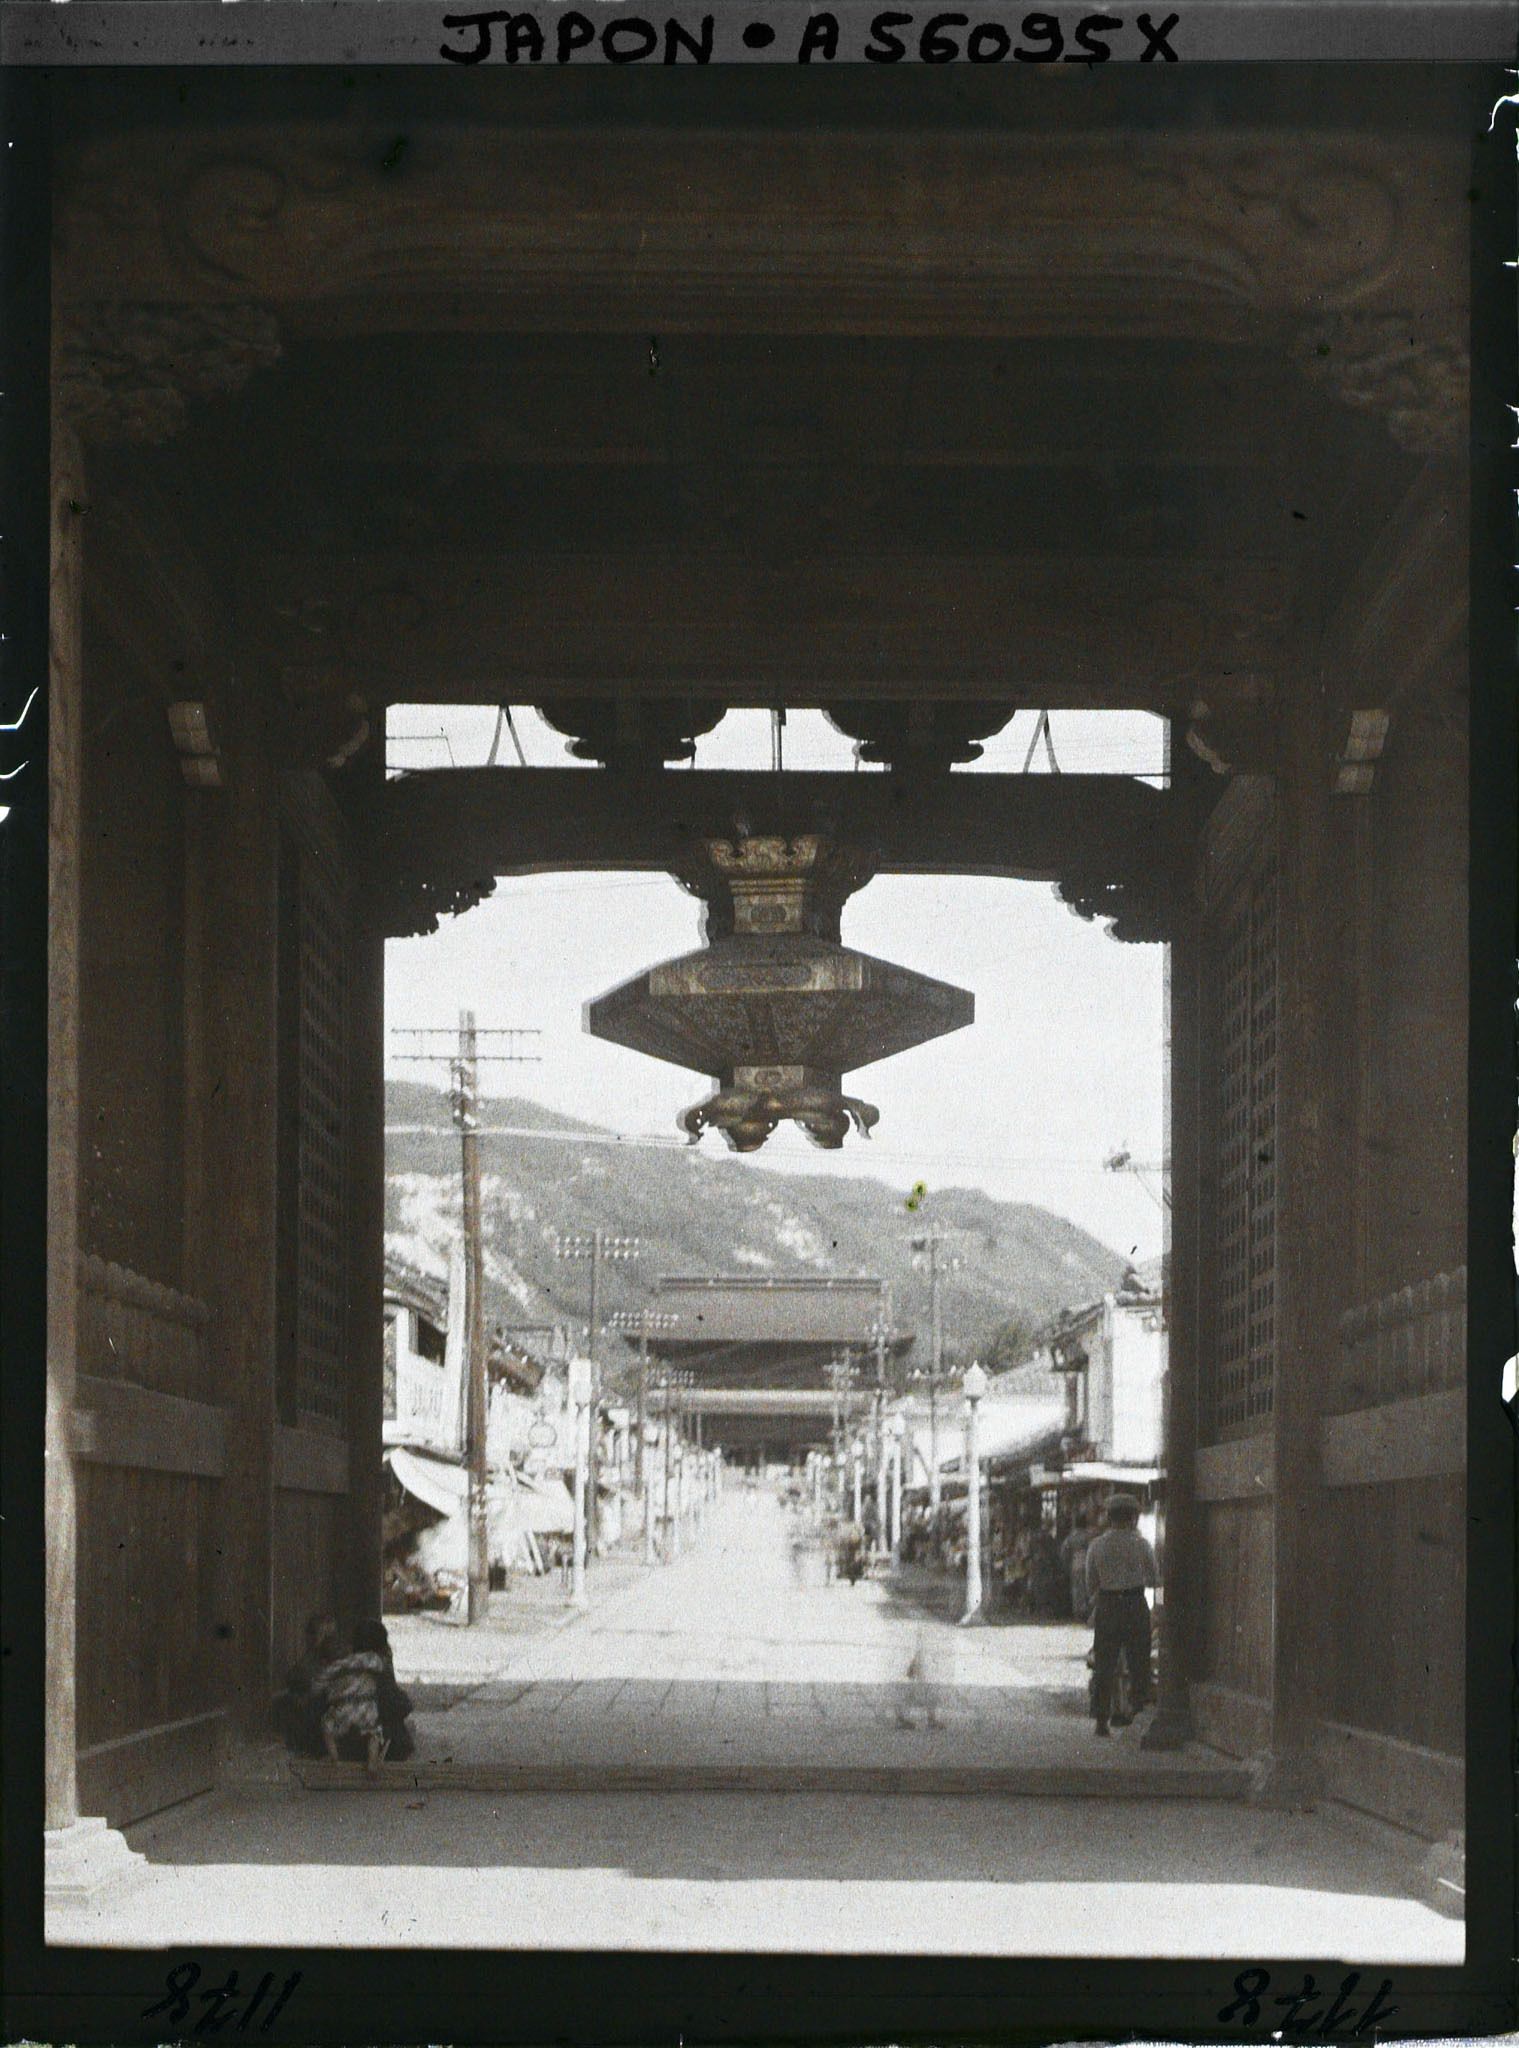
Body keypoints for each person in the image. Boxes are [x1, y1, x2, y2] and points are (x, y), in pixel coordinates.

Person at [1083, 1492, 1157, 1737]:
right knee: (1139, 1662)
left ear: (1109, 1517)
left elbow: (1090, 1582)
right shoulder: (1141, 1545)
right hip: (1135, 1604)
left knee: (1105, 1663)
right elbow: (1154, 1578)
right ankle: (1137, 1713)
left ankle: (1101, 1719)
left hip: (1108, 1605)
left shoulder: (1097, 1545)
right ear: (1133, 1518)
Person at [273, 1614, 342, 1757]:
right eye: (309, 1633)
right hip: (307, 1694)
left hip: (326, 1701)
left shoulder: (331, 1655)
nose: (310, 1638)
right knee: (282, 1701)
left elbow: (323, 1682)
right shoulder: (311, 1655)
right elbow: (294, 1675)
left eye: (315, 1634)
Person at [352, 1616, 416, 1763]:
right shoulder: (377, 1670)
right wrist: (389, 1666)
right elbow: (399, 1706)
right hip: (371, 1741)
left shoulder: (347, 1664)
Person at [1060, 1512, 1094, 1623]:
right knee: (1087, 1588)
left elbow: (1064, 1550)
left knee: (1076, 1589)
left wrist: (1066, 1562)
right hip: (1087, 1563)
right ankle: (1087, 1611)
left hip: (1075, 1564)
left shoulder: (1072, 1536)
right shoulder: (1089, 1536)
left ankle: (1078, 1611)